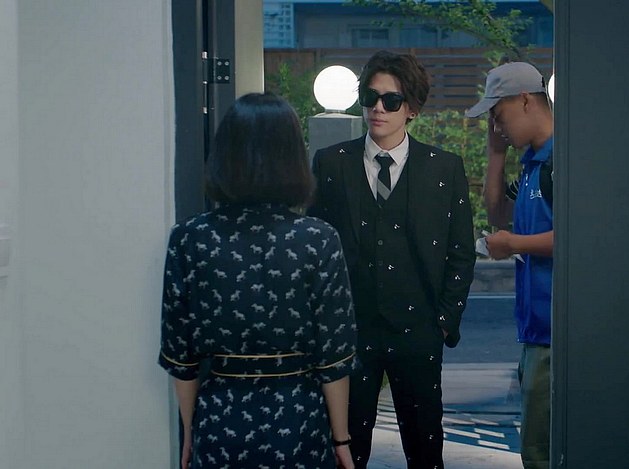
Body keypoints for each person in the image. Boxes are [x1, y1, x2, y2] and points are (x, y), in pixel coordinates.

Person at [158, 92, 358, 469]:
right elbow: (335, 357)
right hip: (298, 422)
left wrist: (190, 433)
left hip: (219, 422)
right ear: (292, 158)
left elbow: (180, 358)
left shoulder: (189, 239)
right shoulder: (318, 239)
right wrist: (341, 438)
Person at [307, 50, 476, 468]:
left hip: (419, 330)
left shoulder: (444, 168)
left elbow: (460, 251)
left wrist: (443, 322)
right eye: (370, 97)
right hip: (352, 330)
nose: (378, 108)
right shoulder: (331, 163)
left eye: (391, 100)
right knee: (345, 449)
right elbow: (317, 247)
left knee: (425, 449)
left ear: (412, 109)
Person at [465, 61, 554, 469]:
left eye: (499, 115)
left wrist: (514, 244)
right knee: (535, 447)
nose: (497, 126)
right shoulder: (533, 163)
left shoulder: (559, 161)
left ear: (525, 101)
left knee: (539, 452)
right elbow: (500, 213)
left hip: (556, 333)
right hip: (535, 330)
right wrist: (496, 153)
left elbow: (579, 237)